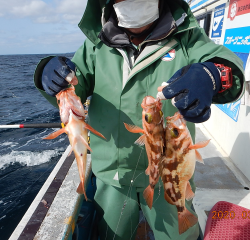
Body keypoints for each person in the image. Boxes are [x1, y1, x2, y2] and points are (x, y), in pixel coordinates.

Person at [34, 0, 245, 239]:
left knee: (180, 233)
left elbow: (226, 65)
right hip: (112, 174)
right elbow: (73, 87)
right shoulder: (95, 46)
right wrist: (49, 75)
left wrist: (213, 74)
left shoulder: (187, 36)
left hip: (169, 170)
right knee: (112, 234)